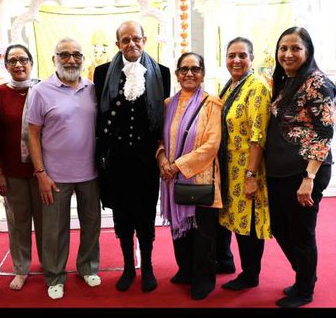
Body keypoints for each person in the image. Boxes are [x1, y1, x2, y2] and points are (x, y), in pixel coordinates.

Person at [94, 20, 171, 292]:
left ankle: (147, 266)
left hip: (146, 161)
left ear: (144, 40)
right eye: (125, 40)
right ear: (118, 44)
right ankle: (128, 266)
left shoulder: (162, 73)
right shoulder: (102, 73)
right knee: (122, 217)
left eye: (136, 38)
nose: (131, 44)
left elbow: (164, 119)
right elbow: (99, 117)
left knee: (145, 215)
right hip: (116, 161)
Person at [265, 26, 336, 308]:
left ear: (307, 51)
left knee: (301, 230)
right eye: (284, 48)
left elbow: (324, 132)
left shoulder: (318, 83)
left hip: (305, 172)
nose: (288, 53)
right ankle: (304, 275)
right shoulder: (284, 81)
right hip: (279, 171)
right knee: (281, 227)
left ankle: (305, 288)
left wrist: (309, 177)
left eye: (295, 48)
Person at [27, 38, 101, 301]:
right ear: (54, 59)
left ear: (83, 58)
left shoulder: (93, 88)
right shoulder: (41, 91)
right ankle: (55, 276)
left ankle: (88, 266)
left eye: (76, 54)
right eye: (65, 55)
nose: (71, 60)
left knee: (92, 224)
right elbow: (32, 134)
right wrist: (40, 173)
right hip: (54, 176)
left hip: (90, 173)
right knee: (54, 230)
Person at [157, 53, 222, 300]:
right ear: (177, 74)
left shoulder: (211, 103)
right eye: (184, 69)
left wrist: (177, 166)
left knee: (202, 231)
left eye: (195, 69)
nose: (189, 73)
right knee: (180, 228)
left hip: (200, 178)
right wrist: (162, 158)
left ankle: (203, 278)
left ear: (202, 73)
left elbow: (211, 144)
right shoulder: (168, 104)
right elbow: (160, 138)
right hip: (172, 180)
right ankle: (185, 270)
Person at [217, 37, 272, 291]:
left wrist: (250, 175)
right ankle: (227, 262)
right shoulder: (231, 85)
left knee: (248, 223)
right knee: (233, 218)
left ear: (252, 58)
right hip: (229, 167)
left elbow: (258, 136)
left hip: (247, 167)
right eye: (231, 55)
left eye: (242, 55)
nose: (236, 60)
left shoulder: (257, 86)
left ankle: (251, 275)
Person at [0, 43, 43, 291]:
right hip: (12, 173)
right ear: (6, 66)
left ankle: (49, 263)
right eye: (12, 61)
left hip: (42, 172)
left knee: (46, 222)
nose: (18, 65)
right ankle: (21, 268)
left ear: (31, 63)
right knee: (18, 222)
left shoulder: (44, 90)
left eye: (23, 59)